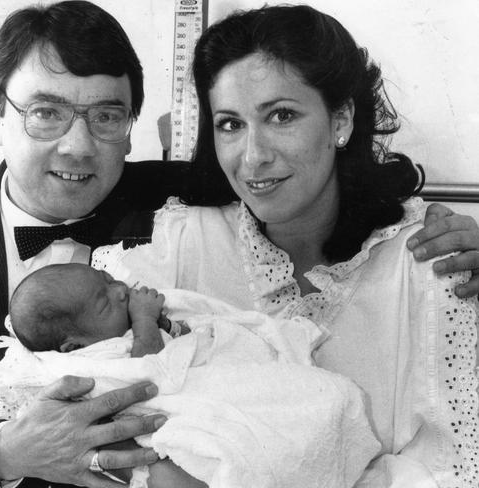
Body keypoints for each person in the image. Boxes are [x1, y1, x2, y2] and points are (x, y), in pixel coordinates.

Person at [0, 1, 479, 487]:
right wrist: (9, 450)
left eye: (106, 116)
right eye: (45, 112)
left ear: (130, 129)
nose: (77, 145)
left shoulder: (180, 206)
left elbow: (311, 192)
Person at [93, 4, 479, 487]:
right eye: (230, 124)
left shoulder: (427, 260)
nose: (253, 157)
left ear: (341, 119)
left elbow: (448, 470)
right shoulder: (181, 244)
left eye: (281, 116)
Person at [0, 263, 381, 488]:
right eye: (103, 300)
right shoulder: (92, 361)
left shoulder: (100, 331)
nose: (119, 290)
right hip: (175, 426)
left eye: (108, 280)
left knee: (317, 400)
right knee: (272, 432)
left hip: (211, 393)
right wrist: (146, 320)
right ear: (71, 346)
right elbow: (150, 375)